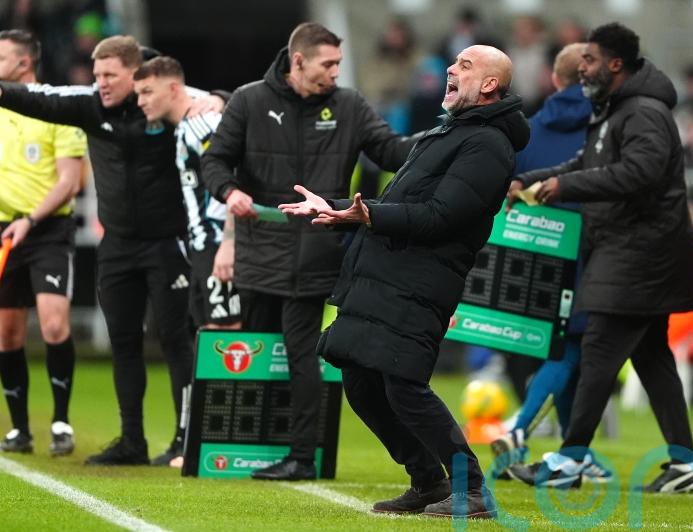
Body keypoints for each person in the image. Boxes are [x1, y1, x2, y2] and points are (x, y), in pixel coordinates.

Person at [279, 44, 529, 518]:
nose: (450, 70)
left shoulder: (488, 144)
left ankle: (471, 488)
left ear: (490, 85)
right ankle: (428, 480)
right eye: (453, 63)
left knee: (403, 384)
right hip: (385, 272)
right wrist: (340, 213)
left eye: (465, 66)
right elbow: (405, 205)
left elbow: (440, 217)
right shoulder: (451, 131)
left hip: (422, 278)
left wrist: (367, 214)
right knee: (360, 379)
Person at [201, 22, 418, 481]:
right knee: (257, 348)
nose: (336, 73)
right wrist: (228, 192)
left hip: (317, 250)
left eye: (339, 64)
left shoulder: (350, 106)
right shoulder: (248, 100)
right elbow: (214, 160)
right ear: (298, 61)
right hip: (259, 251)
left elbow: (392, 151)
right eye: (329, 64)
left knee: (300, 351)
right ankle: (253, 445)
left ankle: (301, 456)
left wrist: (439, 141)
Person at [0, 35, 224, 466]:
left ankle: (184, 438)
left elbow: (233, 104)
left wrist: (219, 96)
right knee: (124, 343)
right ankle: (131, 442)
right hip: (118, 246)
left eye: (110, 75)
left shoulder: (162, 99)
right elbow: (40, 99)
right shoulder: (88, 104)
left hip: (169, 243)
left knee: (176, 340)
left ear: (135, 73)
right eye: (97, 73)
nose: (100, 82)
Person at [507, 23, 693, 493]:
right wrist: (536, 180)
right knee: (652, 357)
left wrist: (566, 186)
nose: (583, 68)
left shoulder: (644, 112)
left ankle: (571, 458)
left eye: (590, 60)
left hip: (641, 253)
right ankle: (685, 464)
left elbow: (641, 172)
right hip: (633, 250)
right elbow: (583, 166)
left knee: (597, 351)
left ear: (616, 64)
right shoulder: (614, 110)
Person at [490, 42, 614, 486]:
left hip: (533, 259)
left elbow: (508, 187)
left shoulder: (528, 130)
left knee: (562, 350)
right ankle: (522, 428)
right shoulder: (605, 125)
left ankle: (572, 455)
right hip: (593, 254)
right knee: (571, 350)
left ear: (554, 80)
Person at [0, 29, 87, 456]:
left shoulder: (57, 108)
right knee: (7, 333)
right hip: (3, 232)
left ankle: (61, 421)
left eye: (0, 58)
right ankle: (19, 429)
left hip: (48, 229)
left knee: (53, 322)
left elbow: (71, 182)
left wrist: (30, 221)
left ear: (23, 63)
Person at [133, 56, 241, 332]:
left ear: (173, 89)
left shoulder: (202, 123)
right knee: (206, 332)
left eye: (147, 92)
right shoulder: (185, 126)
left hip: (218, 241)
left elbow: (237, 178)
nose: (140, 101)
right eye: (138, 94)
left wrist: (229, 243)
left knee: (228, 333)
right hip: (202, 244)